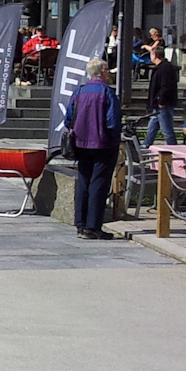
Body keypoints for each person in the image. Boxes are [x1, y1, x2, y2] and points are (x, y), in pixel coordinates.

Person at [63, 58, 122, 240]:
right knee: (98, 184)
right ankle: (93, 226)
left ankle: (80, 224)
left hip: (80, 143)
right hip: (103, 144)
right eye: (107, 70)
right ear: (102, 71)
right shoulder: (107, 92)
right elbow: (113, 121)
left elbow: (68, 118)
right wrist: (115, 139)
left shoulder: (79, 91)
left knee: (83, 182)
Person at [141, 48, 179, 146]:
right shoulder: (161, 67)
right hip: (157, 103)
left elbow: (165, 86)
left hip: (163, 103)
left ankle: (173, 147)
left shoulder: (165, 68)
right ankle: (146, 145)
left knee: (167, 129)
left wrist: (161, 101)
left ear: (155, 55)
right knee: (152, 126)